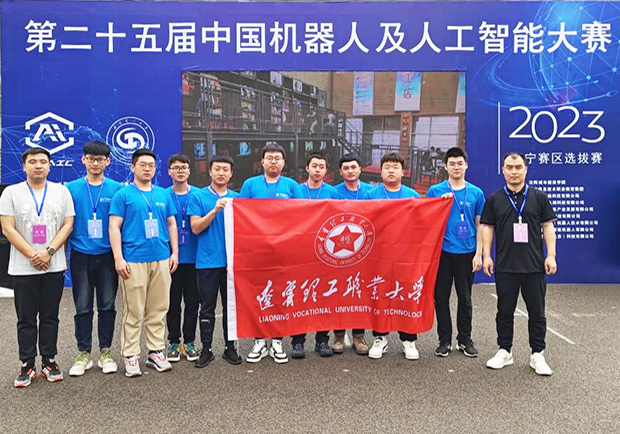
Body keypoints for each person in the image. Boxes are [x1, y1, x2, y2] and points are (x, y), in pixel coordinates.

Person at [0, 147, 75, 387]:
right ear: (24, 166)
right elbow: (7, 228)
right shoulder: (11, 193)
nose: (38, 165)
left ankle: (49, 361)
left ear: (50, 166)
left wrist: (48, 252)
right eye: (33, 162)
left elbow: (68, 224)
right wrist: (33, 254)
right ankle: (27, 364)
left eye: (43, 161)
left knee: (50, 316)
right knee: (26, 318)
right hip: (24, 267)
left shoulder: (61, 191)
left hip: (54, 265)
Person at [481, 152, 557, 376]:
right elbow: (487, 228)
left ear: (525, 169)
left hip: (534, 266)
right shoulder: (494, 199)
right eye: (509, 167)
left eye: (518, 167)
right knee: (504, 311)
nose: (514, 171)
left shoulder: (539, 197)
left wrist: (551, 255)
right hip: (506, 266)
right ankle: (505, 351)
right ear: (503, 170)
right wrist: (486, 256)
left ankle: (537, 354)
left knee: (537, 312)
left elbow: (548, 227)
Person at [109, 149, 179, 377]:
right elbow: (114, 227)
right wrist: (118, 258)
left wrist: (174, 252)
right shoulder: (123, 195)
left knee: (159, 308)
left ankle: (156, 352)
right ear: (133, 167)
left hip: (161, 258)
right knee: (134, 310)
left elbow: (171, 224)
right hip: (133, 260)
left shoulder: (163, 194)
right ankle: (130, 355)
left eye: (151, 165)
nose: (147, 168)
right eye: (142, 164)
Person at [239, 143, 302, 364]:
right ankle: (259, 340)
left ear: (283, 162)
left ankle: (277, 340)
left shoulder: (292, 186)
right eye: (269, 158)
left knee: (281, 295)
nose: (273, 161)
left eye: (277, 158)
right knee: (257, 295)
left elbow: (302, 215)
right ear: (262, 162)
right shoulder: (250, 184)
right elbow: (240, 214)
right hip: (257, 251)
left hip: (284, 252)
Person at [66, 141, 122, 377]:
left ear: (108, 161)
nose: (95, 163)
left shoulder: (117, 189)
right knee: (83, 306)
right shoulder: (70, 189)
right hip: (81, 255)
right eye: (91, 158)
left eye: (100, 159)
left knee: (108, 305)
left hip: (107, 255)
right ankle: (84, 353)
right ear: (83, 160)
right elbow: (66, 224)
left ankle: (106, 352)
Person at [426, 147, 485, 358]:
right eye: (452, 164)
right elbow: (426, 220)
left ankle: (465, 339)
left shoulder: (476, 193)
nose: (456, 167)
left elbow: (480, 225)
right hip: (442, 253)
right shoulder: (435, 191)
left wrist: (479, 254)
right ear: (445, 166)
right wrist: (438, 205)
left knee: (465, 298)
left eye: (460, 163)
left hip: (467, 252)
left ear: (466, 165)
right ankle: (444, 340)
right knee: (441, 297)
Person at [189, 155, 242, 368]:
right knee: (207, 308)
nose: (221, 173)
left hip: (231, 264)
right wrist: (214, 210)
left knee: (231, 308)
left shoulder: (237, 198)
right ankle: (207, 349)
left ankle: (230, 348)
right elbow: (195, 227)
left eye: (225, 169)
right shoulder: (198, 196)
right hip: (207, 262)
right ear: (210, 172)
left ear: (231, 173)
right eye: (217, 169)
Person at [367, 153, 421, 360]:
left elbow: (422, 222)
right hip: (379, 255)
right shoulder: (371, 195)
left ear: (403, 172)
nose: (391, 170)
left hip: (405, 256)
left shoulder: (412, 195)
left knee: (405, 295)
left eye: (395, 167)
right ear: (380, 171)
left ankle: (408, 340)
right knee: (380, 295)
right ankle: (380, 338)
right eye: (387, 167)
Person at [292, 152, 339, 359]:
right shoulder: (296, 190)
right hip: (301, 250)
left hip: (326, 252)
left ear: (326, 170)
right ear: (307, 168)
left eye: (321, 166)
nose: (317, 170)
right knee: (300, 296)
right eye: (314, 165)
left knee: (324, 297)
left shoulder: (333, 192)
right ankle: (297, 341)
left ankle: (322, 340)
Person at [331, 154, 372, 355]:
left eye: (353, 167)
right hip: (338, 250)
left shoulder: (371, 192)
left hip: (364, 250)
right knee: (339, 292)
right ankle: (338, 336)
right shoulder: (333, 192)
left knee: (359, 293)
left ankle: (358, 337)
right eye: (345, 168)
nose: (350, 171)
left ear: (360, 169)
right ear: (340, 171)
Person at [166, 154, 200, 363]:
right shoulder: (162, 195)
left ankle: (189, 341)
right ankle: (173, 342)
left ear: (189, 171)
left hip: (195, 259)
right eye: (176, 167)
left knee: (192, 303)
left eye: (184, 167)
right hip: (171, 260)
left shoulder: (198, 195)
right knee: (172, 304)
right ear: (169, 171)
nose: (180, 171)